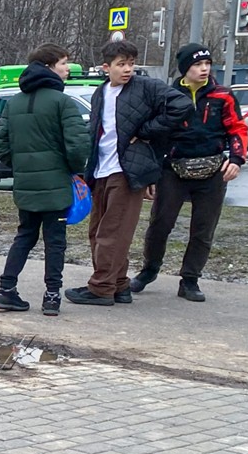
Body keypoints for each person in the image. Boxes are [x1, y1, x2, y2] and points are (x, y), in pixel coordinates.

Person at [64, 40, 193, 307]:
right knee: (97, 230)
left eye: (131, 64)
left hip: (127, 171)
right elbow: (97, 133)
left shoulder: (145, 86)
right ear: (106, 67)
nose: (127, 69)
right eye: (121, 64)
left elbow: (182, 105)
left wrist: (145, 131)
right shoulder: (100, 93)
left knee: (112, 232)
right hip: (101, 170)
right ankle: (119, 284)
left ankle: (101, 288)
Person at [130, 43, 248, 302]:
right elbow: (156, 135)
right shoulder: (168, 96)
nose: (204, 69)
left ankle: (190, 280)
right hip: (173, 169)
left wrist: (237, 159)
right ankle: (149, 270)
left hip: (212, 170)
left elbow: (237, 128)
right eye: (197, 64)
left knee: (203, 229)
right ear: (185, 69)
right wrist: (150, 174)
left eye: (207, 64)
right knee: (160, 224)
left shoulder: (223, 96)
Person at [0, 43, 91, 315]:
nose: (68, 69)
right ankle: (51, 296)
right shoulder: (63, 102)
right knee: (55, 241)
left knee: (24, 235)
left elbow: (1, 143)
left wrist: (20, 165)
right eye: (63, 63)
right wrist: (74, 170)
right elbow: (78, 144)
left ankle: (6, 290)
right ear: (48, 67)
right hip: (56, 183)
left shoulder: (13, 103)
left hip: (25, 184)